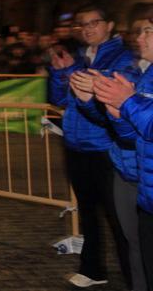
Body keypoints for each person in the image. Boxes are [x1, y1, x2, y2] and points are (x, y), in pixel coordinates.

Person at [48, 5, 132, 289]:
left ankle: (134, 275)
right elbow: (59, 98)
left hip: (105, 147)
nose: (87, 29)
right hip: (75, 144)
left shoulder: (123, 57)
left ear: (109, 25)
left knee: (118, 216)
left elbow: (106, 101)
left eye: (94, 23)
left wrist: (81, 77)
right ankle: (93, 268)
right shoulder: (81, 58)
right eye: (82, 24)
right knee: (87, 212)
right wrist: (61, 73)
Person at [90, 16, 153, 291]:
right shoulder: (149, 74)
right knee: (140, 256)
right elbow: (133, 135)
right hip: (146, 190)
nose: (139, 38)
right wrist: (116, 112)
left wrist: (127, 103)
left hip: (141, 182)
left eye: (148, 31)